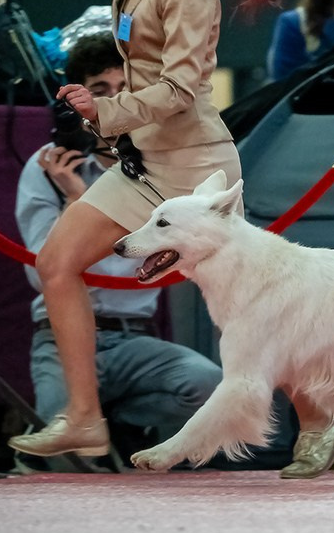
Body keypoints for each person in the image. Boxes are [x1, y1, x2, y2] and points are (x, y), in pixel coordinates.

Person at [7, 0, 293, 462]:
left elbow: (184, 86)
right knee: (57, 263)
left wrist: (104, 113)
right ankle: (84, 418)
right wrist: (105, 120)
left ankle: (325, 415)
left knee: (252, 311)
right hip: (145, 160)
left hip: (195, 170)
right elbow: (141, 71)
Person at [14, 31, 224, 468]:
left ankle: (121, 421)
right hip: (58, 340)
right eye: (99, 91)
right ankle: (90, 420)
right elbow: (42, 274)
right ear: (75, 100)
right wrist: (75, 200)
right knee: (66, 453)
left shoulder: (161, 170)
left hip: (134, 337)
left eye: (123, 90)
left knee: (206, 385)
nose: (111, 102)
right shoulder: (47, 167)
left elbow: (159, 265)